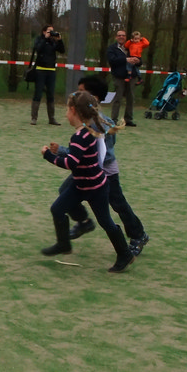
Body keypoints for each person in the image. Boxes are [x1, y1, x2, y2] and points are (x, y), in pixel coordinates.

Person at [40, 91, 135, 273]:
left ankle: (125, 254)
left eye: (66, 110)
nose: (65, 114)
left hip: (96, 188)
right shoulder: (88, 131)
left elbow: (71, 163)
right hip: (81, 184)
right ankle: (64, 244)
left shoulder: (80, 136)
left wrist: (48, 156)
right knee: (57, 209)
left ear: (73, 111)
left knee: (106, 222)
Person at [61, 74, 150, 257]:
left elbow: (99, 151)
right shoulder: (86, 119)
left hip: (105, 172)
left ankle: (138, 235)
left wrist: (63, 152)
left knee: (118, 204)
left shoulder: (100, 122)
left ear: (93, 98)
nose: (77, 95)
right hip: (88, 169)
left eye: (81, 92)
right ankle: (84, 222)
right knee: (65, 192)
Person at [29, 25, 65, 126]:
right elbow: (38, 49)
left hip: (51, 71)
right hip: (40, 70)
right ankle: (34, 118)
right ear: (44, 31)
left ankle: (51, 118)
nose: (51, 33)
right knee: (38, 94)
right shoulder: (39, 40)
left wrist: (59, 40)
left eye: (52, 31)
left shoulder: (53, 41)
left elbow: (62, 50)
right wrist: (45, 39)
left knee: (51, 95)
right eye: (49, 31)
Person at [107, 29, 140, 126]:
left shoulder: (132, 46)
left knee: (131, 98)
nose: (121, 37)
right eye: (119, 35)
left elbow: (139, 59)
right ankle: (114, 119)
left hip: (132, 77)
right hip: (119, 77)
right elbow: (112, 60)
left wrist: (138, 61)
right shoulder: (112, 48)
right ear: (116, 37)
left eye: (123, 35)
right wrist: (126, 59)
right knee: (118, 98)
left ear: (126, 37)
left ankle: (128, 119)